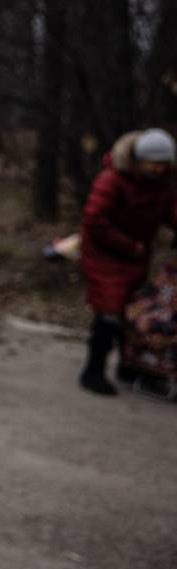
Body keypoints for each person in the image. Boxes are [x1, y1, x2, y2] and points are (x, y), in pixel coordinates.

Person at [78, 128, 176, 396]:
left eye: (164, 163)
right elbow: (94, 220)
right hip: (104, 255)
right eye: (154, 163)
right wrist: (128, 245)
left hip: (136, 256)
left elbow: (171, 211)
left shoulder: (161, 185)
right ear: (139, 159)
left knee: (133, 313)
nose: (159, 169)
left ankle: (130, 367)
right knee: (109, 312)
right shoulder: (111, 180)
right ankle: (93, 371)